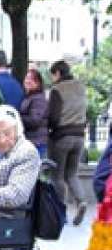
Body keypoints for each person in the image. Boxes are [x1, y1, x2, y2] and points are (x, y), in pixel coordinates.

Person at [47, 59, 88, 224]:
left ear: (57, 73)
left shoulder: (57, 90)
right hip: (79, 137)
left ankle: (59, 212)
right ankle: (81, 201)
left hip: (62, 137)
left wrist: (49, 128)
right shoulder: (81, 86)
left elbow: (54, 117)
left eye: (52, 75)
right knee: (72, 174)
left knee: (57, 177)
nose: (52, 79)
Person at [0, 105, 41, 210]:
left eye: (7, 133)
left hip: (2, 213)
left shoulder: (26, 152)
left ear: (16, 131)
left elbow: (16, 194)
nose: (2, 140)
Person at [19, 68, 49, 156]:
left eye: (32, 79)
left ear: (38, 83)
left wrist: (18, 117)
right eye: (27, 78)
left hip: (37, 142)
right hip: (32, 141)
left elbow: (35, 120)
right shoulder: (29, 97)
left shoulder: (38, 99)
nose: (28, 81)